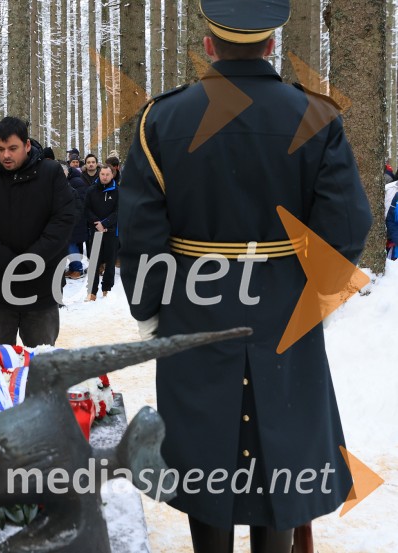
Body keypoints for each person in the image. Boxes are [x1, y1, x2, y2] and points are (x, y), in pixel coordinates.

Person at [117, 2, 371, 552]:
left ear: (209, 45)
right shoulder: (316, 116)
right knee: (280, 457)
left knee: (202, 462)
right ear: (272, 45)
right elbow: (348, 227)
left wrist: (148, 309)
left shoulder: (160, 118)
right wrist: (309, 293)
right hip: (284, 309)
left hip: (193, 309)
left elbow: (139, 233)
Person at [0, 116, 75, 347]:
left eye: (12, 148)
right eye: (1, 148)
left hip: (41, 286)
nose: (6, 155)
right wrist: (3, 258)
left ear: (26, 145)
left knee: (40, 360)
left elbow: (64, 219)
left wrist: (32, 258)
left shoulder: (50, 172)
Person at [84, 164, 117, 300]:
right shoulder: (91, 190)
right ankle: (92, 291)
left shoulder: (118, 191)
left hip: (111, 231)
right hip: (96, 230)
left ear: (112, 175)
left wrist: (105, 223)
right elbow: (86, 209)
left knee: (110, 262)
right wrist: (97, 223)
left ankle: (106, 289)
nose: (104, 177)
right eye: (102, 174)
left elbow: (119, 211)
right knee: (94, 262)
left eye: (107, 174)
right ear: (99, 174)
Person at [65, 161, 89, 280]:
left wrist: (72, 218)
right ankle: (74, 267)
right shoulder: (71, 181)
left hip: (75, 220)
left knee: (70, 244)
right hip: (73, 220)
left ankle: (78, 269)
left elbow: (80, 203)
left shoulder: (76, 182)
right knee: (71, 244)